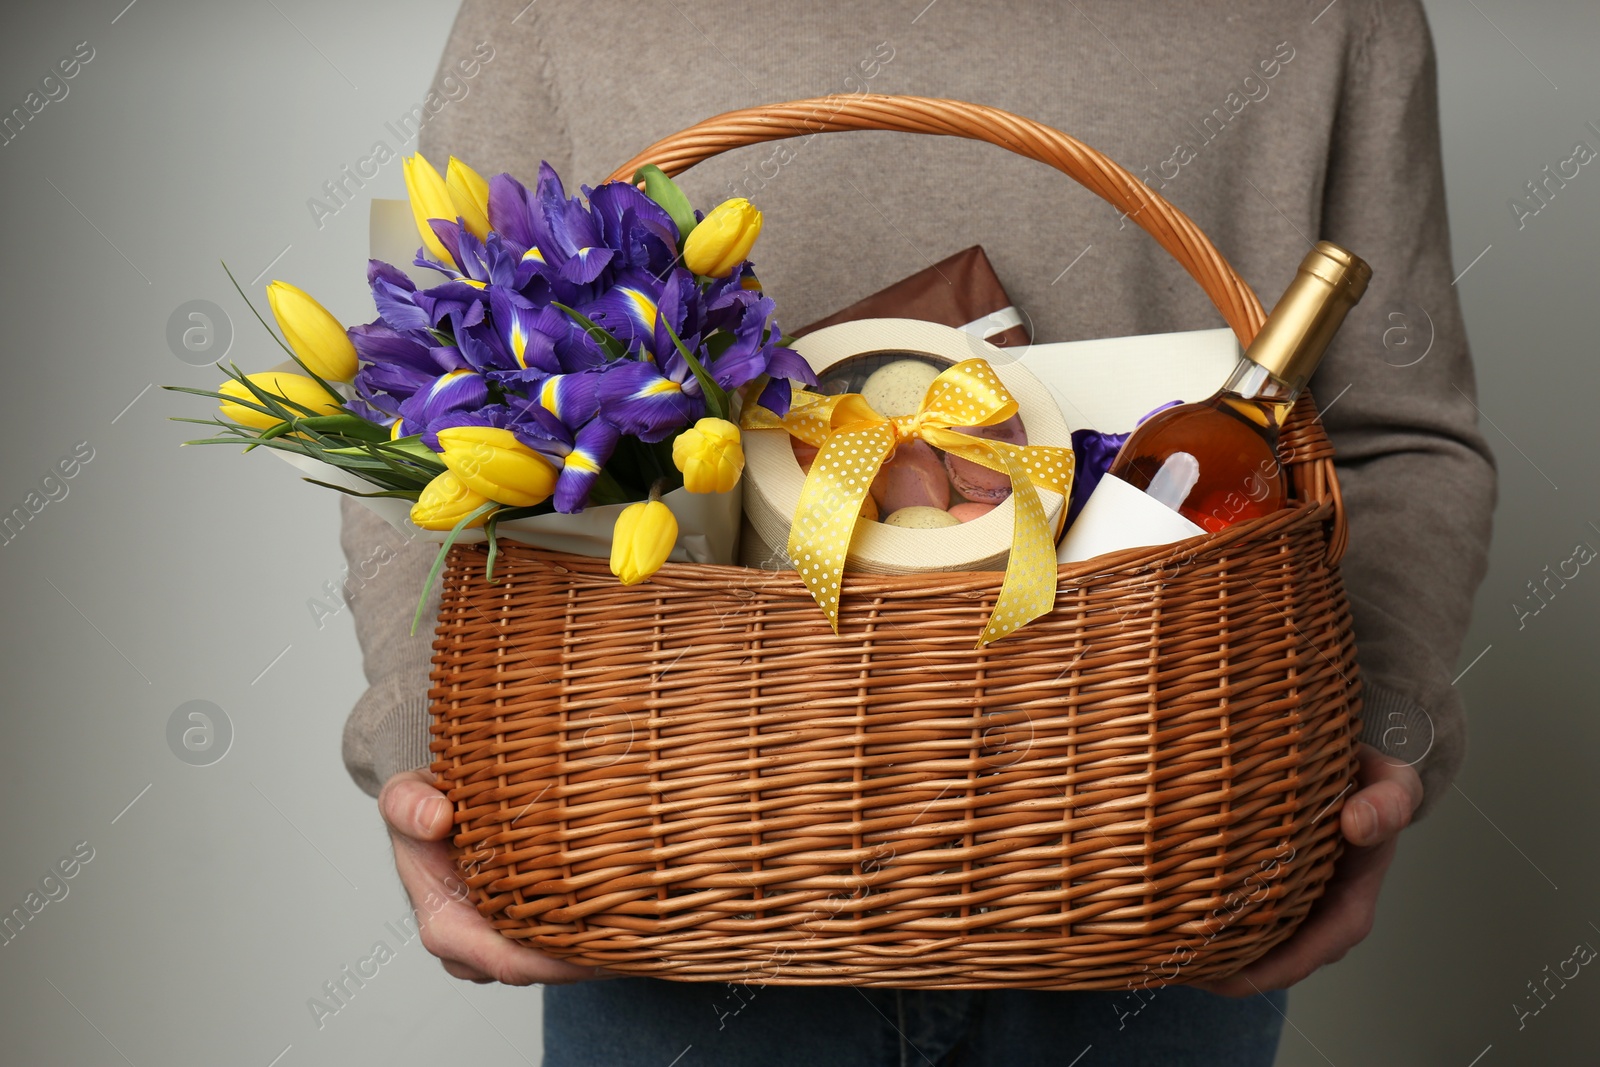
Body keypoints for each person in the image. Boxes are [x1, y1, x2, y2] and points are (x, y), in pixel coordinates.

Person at [340, 1, 1493, 1062]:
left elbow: (1398, 440)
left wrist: (1378, 739)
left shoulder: (1341, 13)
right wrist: (415, 744)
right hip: (667, 859)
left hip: (1149, 861)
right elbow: (417, 396)